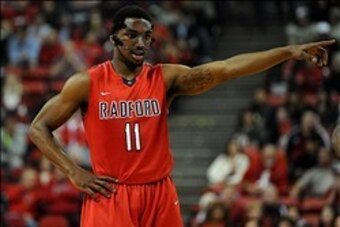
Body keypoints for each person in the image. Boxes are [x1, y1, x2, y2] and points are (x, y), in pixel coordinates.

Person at [28, 5, 335, 227]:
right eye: (131, 35)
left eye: (147, 36)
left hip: (159, 190)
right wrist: (74, 172)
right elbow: (38, 128)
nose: (140, 43)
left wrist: (288, 51)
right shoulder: (87, 82)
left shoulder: (165, 78)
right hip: (112, 193)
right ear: (114, 39)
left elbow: (227, 68)